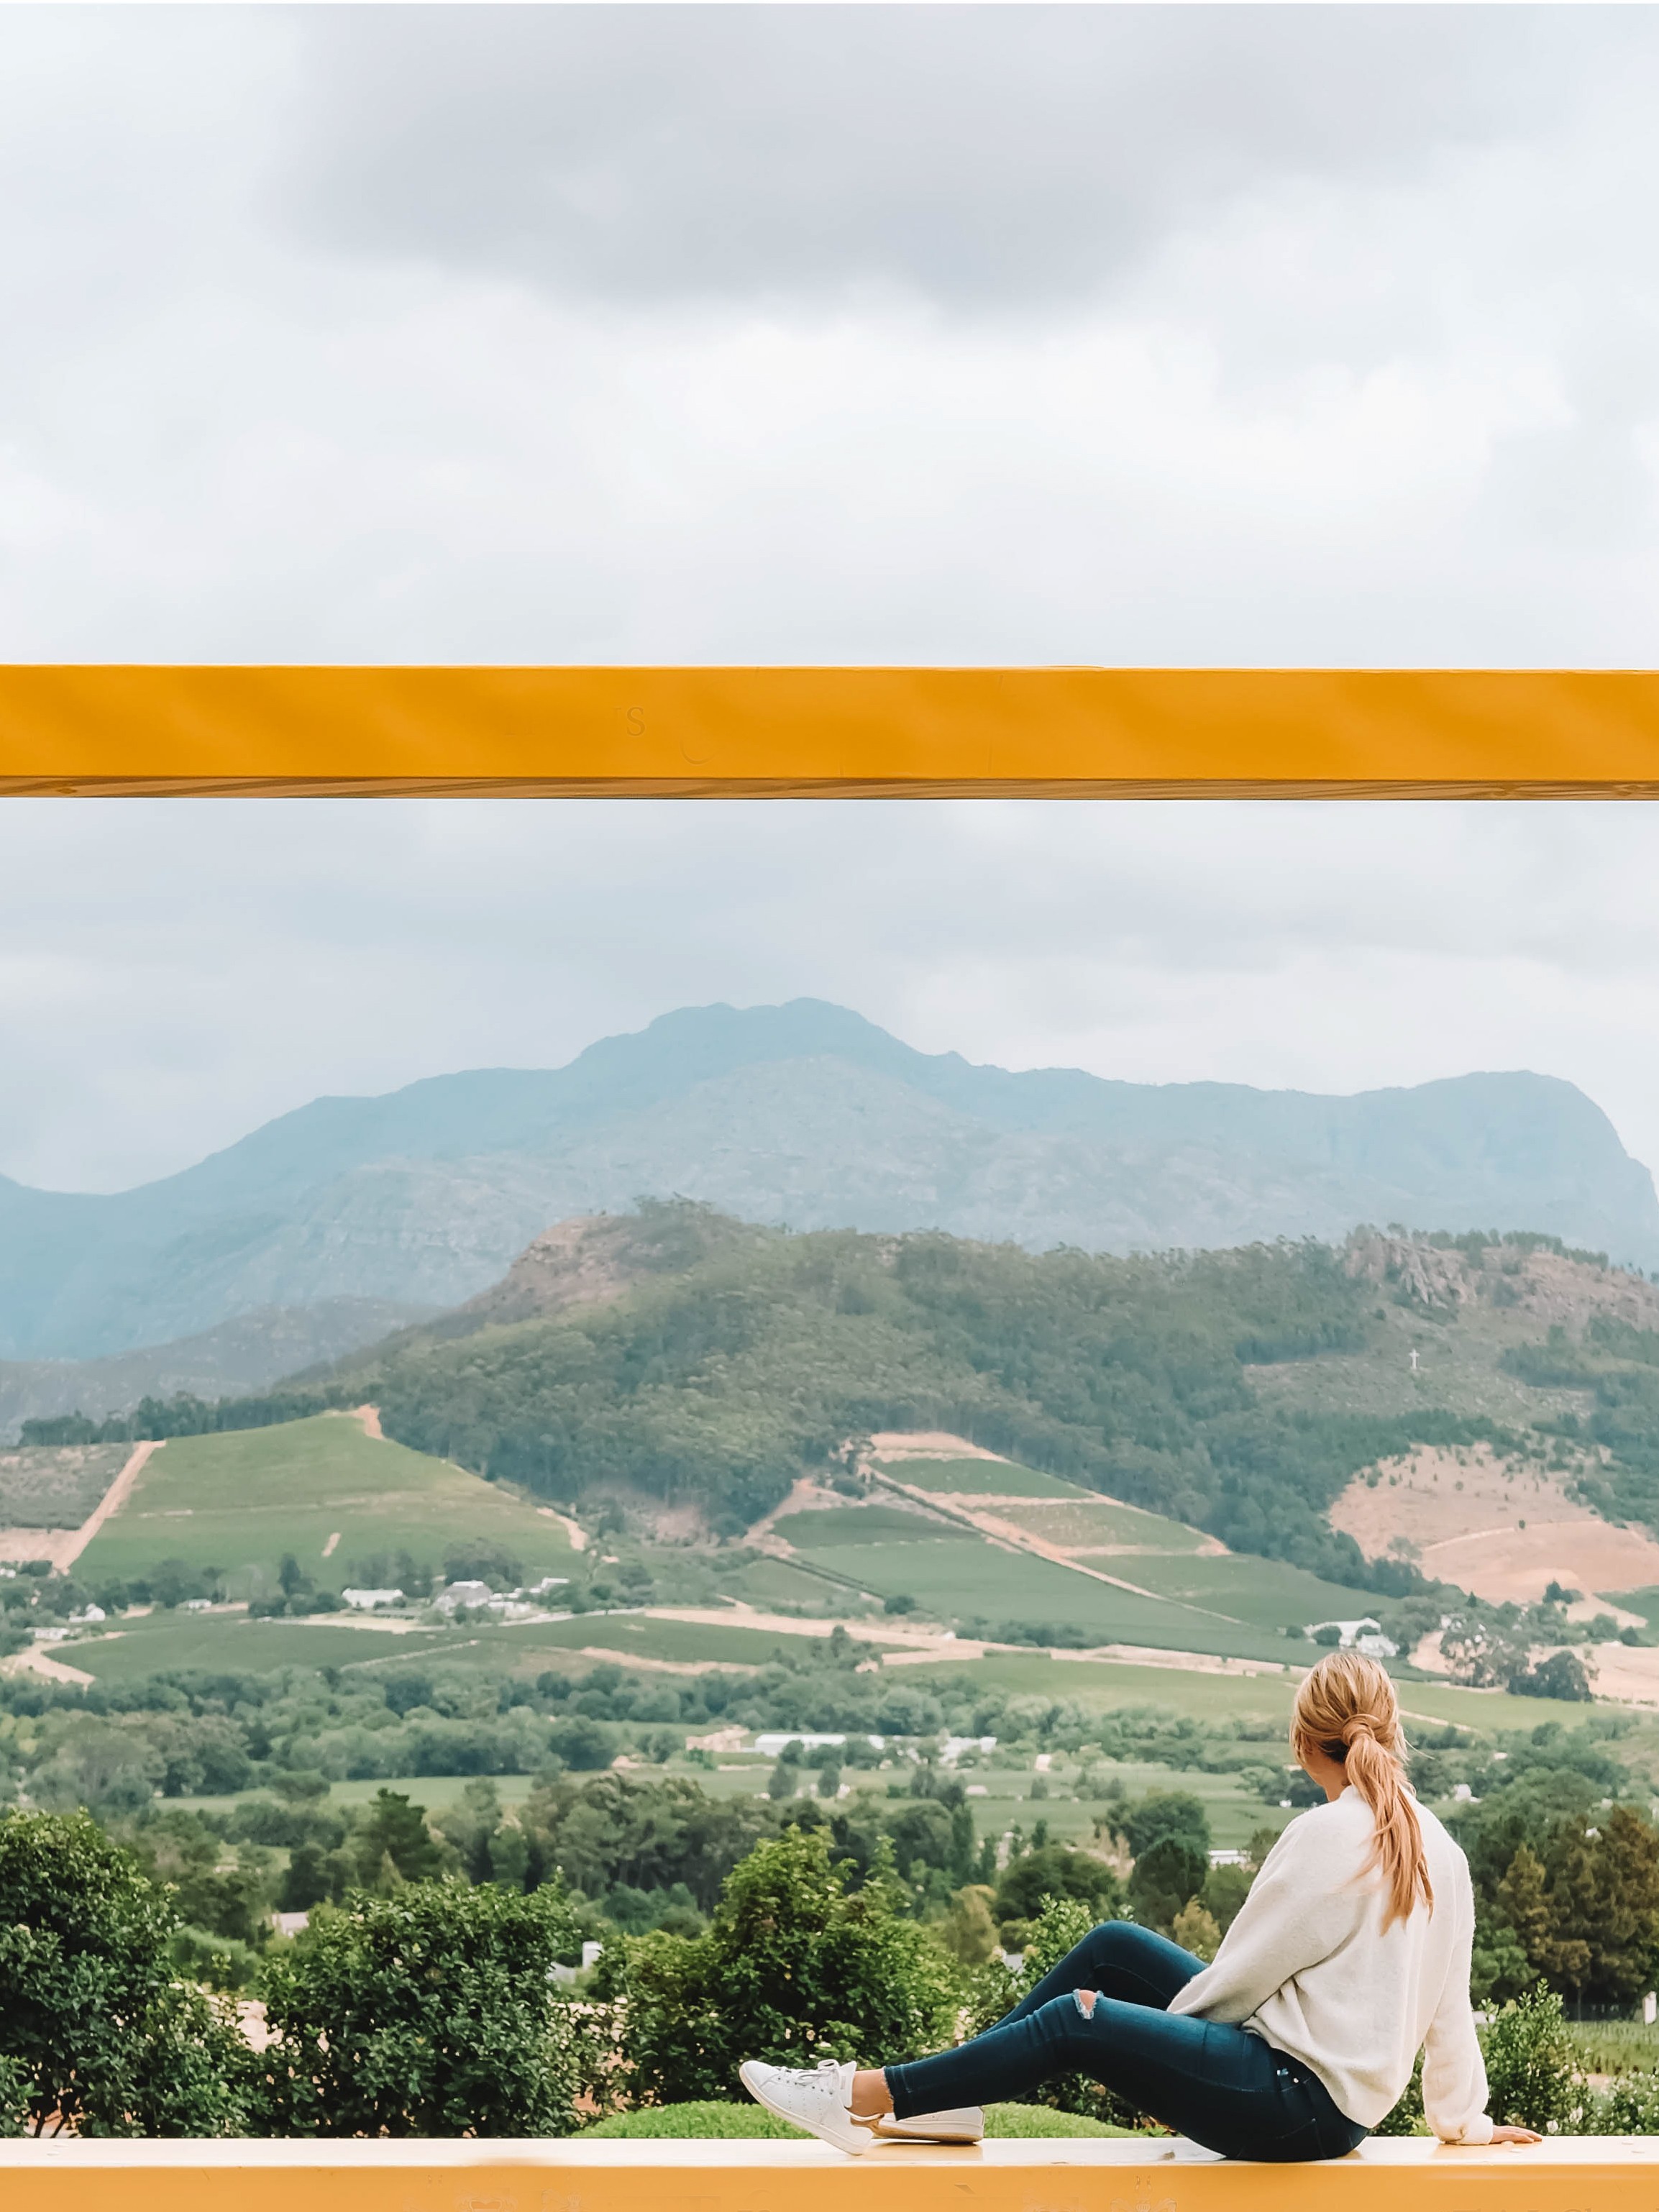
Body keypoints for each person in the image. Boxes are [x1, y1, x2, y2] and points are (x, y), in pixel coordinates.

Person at [740, 1648, 1542, 2160]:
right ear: (1388, 1731)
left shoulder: (1328, 1835)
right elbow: (1451, 2005)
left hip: (1293, 2103)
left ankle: (858, 2095)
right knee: (1114, 1947)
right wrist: (1463, 2121)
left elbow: (1240, 1983)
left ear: (1302, 1743)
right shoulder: (1441, 1846)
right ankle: (956, 2106)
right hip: (1332, 2108)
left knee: (1077, 2019)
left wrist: (1152, 2041)